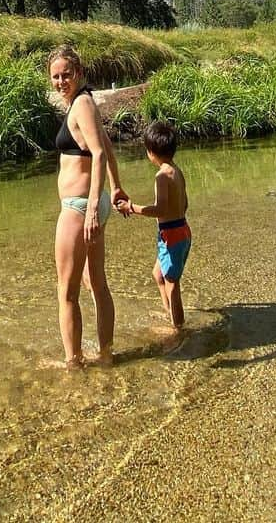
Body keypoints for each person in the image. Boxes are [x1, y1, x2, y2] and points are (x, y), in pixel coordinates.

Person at [48, 44, 129, 368]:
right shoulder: (85, 103)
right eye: (55, 76)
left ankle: (73, 362)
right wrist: (117, 186)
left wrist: (94, 207)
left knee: (66, 292)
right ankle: (106, 355)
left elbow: (96, 153)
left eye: (66, 74)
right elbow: (106, 147)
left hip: (80, 207)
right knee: (95, 283)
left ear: (79, 73)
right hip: (91, 204)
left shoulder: (81, 104)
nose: (60, 81)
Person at [120, 120, 191, 330]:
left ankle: (178, 328)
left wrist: (132, 207)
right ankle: (168, 312)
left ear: (151, 152)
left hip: (172, 235)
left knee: (172, 283)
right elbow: (185, 203)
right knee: (158, 274)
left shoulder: (161, 176)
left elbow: (160, 209)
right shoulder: (177, 171)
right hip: (182, 230)